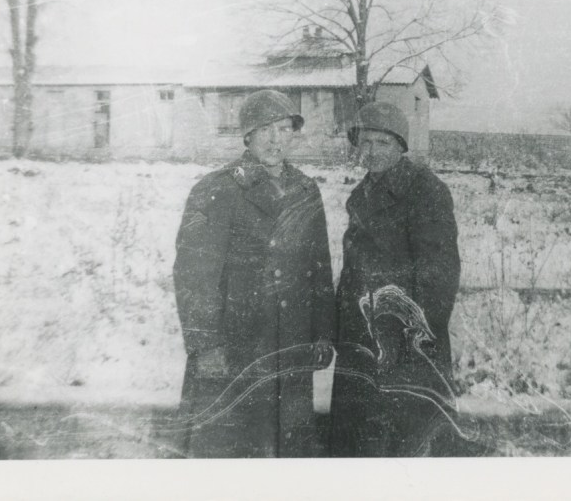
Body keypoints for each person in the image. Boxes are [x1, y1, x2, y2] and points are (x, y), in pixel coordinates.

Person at [172, 89, 335, 458]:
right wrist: (205, 344)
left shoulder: (306, 191)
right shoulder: (217, 189)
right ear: (247, 136)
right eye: (266, 130)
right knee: (230, 447)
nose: (276, 139)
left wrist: (323, 332)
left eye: (285, 129)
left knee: (286, 448)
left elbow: (319, 268)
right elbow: (194, 274)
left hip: (290, 346)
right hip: (235, 345)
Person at [330, 101, 462, 457]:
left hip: (408, 345)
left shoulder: (425, 191)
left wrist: (412, 337)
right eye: (365, 142)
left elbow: (439, 275)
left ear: (401, 146)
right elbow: (352, 272)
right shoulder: (361, 194)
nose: (371, 152)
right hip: (362, 340)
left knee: (409, 444)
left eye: (382, 143)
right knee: (361, 445)